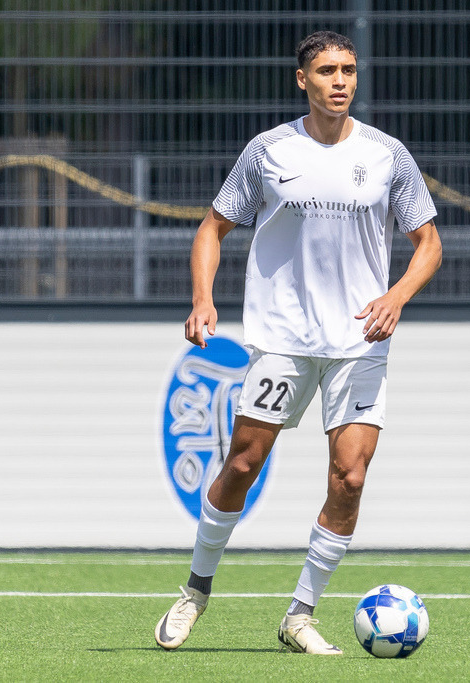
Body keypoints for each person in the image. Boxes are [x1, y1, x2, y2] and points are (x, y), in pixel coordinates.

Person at [155, 30, 442, 655]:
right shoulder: (269, 152)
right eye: (327, 71)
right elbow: (213, 227)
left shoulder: (388, 154)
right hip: (284, 337)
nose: (340, 81)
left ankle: (299, 615)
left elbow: (429, 244)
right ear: (302, 80)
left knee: (350, 478)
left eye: (349, 71)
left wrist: (395, 297)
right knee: (242, 464)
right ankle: (196, 591)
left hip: (360, 340)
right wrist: (203, 299)